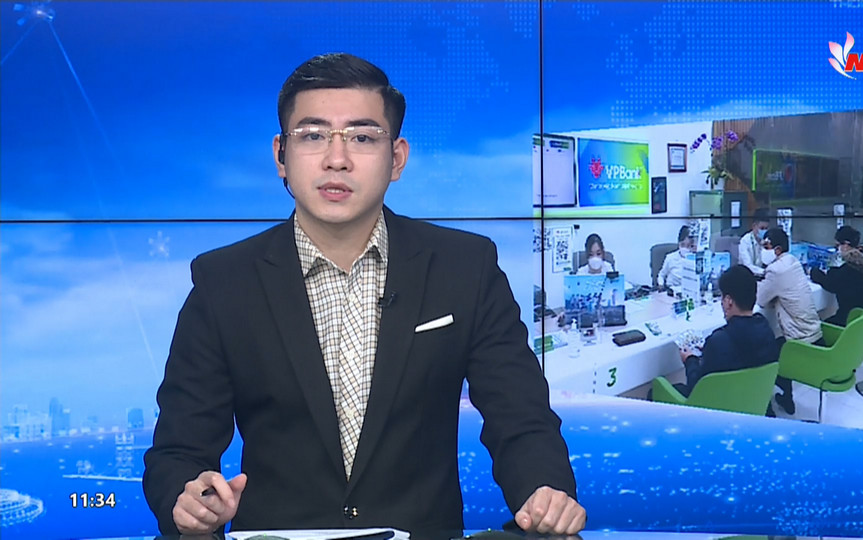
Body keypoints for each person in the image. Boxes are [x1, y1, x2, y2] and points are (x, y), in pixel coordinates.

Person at [143, 53, 585, 536]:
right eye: (312, 136)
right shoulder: (225, 280)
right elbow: (178, 452)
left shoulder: (464, 267)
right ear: (280, 156)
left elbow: (520, 417)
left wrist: (544, 490)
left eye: (362, 137)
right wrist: (189, 501)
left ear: (397, 159)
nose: (337, 159)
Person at [672, 265, 779, 397]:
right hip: (753, 401)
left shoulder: (719, 340)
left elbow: (696, 389)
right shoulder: (766, 329)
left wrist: (690, 360)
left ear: (729, 302)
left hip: (719, 404)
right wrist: (708, 351)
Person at [756, 227, 825, 415]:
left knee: (764, 354)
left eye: (766, 246)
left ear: (777, 250)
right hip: (814, 333)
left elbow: (761, 300)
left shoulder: (775, 270)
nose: (763, 250)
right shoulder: (793, 262)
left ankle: (777, 401)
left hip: (798, 341)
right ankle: (786, 396)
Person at [810, 225, 863, 326]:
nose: (837, 249)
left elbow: (830, 283)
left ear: (845, 245)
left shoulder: (850, 269)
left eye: (837, 245)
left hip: (852, 321)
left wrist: (813, 271)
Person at [739, 207, 770, 276]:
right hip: (746, 276)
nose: (764, 231)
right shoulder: (745, 241)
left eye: (766, 228)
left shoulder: (767, 240)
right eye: (762, 228)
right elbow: (748, 265)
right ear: (754, 226)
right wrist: (765, 272)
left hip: (764, 276)